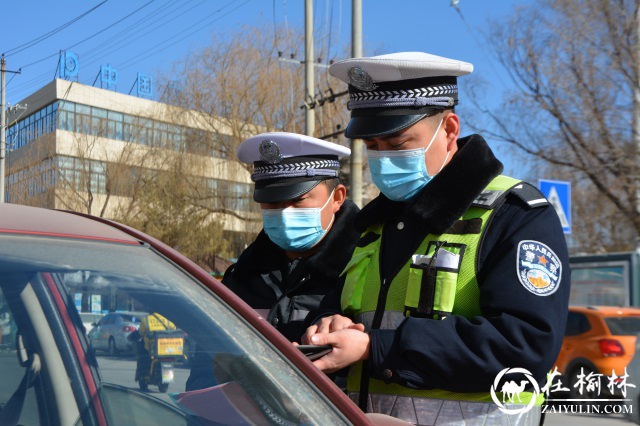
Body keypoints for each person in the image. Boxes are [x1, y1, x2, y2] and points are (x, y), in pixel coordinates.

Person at [303, 52, 571, 425]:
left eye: (398, 144)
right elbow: (347, 312)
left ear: (449, 130)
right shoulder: (373, 228)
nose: (382, 159)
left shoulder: (515, 214)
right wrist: (329, 325)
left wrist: (376, 347)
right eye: (373, 147)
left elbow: (526, 345)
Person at [186, 132, 360, 391]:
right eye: (271, 203)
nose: (284, 213)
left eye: (298, 200)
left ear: (336, 198)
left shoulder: (363, 268)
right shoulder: (243, 275)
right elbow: (207, 363)